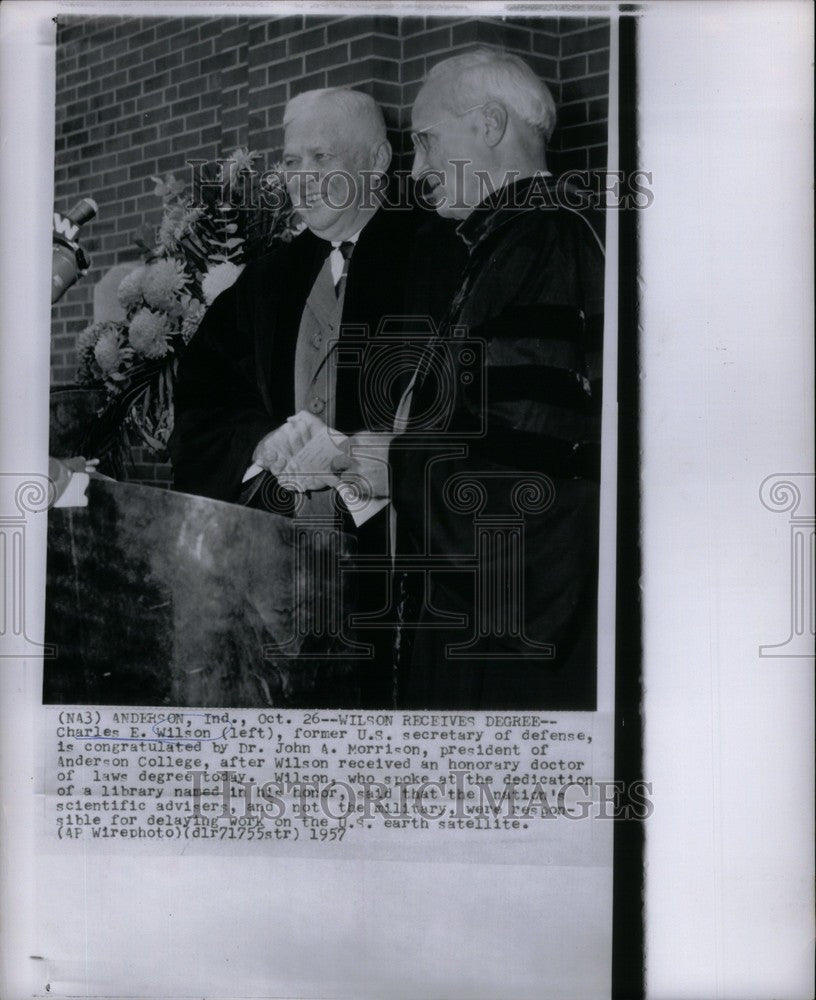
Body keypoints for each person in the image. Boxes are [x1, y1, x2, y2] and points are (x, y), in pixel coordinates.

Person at [168, 87, 464, 706]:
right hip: (282, 567)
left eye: (320, 157)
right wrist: (261, 437)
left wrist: (372, 458)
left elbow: (471, 403)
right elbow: (204, 388)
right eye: (291, 160)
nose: (300, 179)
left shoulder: (441, 254)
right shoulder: (270, 277)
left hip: (396, 562)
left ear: (377, 161)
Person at [389, 47, 606, 709]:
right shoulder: (509, 244)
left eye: (426, 142)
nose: (419, 169)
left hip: (507, 643)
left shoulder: (543, 243)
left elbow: (530, 470)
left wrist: (389, 464)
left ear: (488, 124)